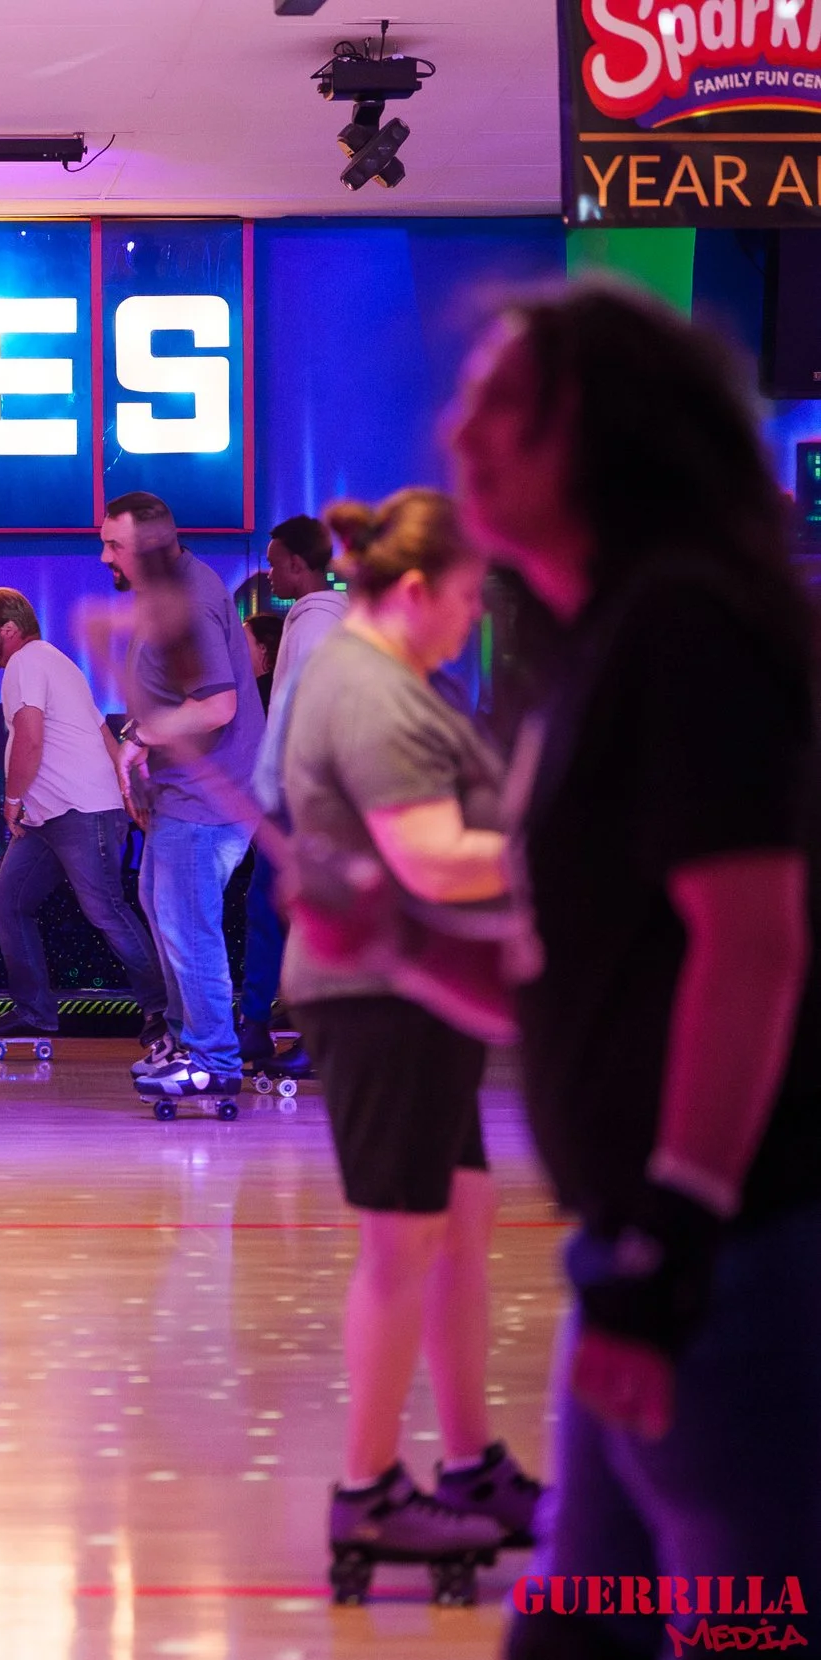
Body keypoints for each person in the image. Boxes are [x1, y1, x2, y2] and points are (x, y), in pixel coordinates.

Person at [445, 285, 821, 1660]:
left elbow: (753, 936)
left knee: (746, 1636)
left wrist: (673, 1238)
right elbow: (586, 970)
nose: (459, 430)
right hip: (644, 1256)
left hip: (732, 1263)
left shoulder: (685, 627)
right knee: (576, 1642)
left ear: (597, 433)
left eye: (499, 404)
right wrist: (401, 944)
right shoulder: (594, 642)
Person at [278, 490, 541, 1588]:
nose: (472, 617)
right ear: (420, 589)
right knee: (400, 1238)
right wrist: (562, 848)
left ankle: (472, 1459)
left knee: (458, 1217)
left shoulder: (392, 678)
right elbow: (430, 857)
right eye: (470, 597)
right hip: (374, 989)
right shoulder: (368, 687)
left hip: (416, 990)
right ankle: (368, 1488)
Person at [100, 492, 267, 1099]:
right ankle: (185, 1037)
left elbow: (217, 706)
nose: (103, 556)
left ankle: (213, 1058)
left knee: (187, 924)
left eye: (113, 545)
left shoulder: (188, 601)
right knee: (162, 909)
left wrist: (141, 737)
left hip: (209, 797)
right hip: (183, 792)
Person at [0, 588, 168, 1050]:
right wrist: (125, 789)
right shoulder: (57, 661)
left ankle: (164, 1010)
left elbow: (30, 739)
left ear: (9, 630)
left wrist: (12, 798)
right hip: (53, 816)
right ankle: (36, 1014)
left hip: (80, 812)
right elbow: (100, 730)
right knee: (8, 903)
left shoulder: (25, 663)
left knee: (106, 910)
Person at [246, 513, 346, 1078]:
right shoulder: (329, 619)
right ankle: (262, 1026)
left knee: (283, 913)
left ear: (298, 565)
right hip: (309, 791)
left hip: (302, 793)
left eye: (274, 560)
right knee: (275, 910)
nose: (268, 570)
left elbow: (301, 716)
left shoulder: (311, 626)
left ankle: (298, 1032)